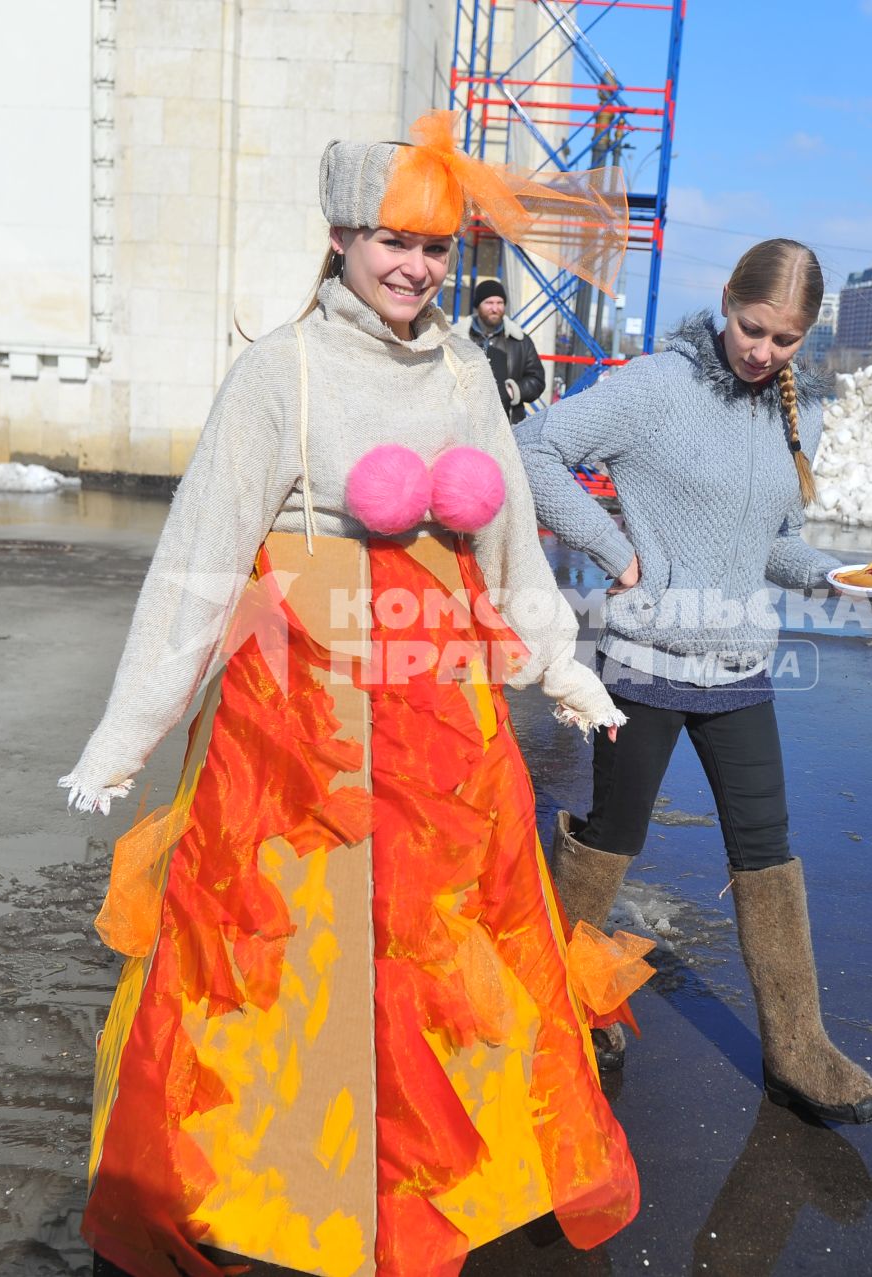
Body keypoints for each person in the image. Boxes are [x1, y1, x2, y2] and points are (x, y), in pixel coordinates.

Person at [64, 111, 646, 1277]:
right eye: (393, 241)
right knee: (297, 952)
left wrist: (560, 662)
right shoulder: (278, 371)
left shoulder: (469, 369)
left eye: (435, 249)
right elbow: (199, 560)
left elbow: (513, 547)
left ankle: (463, 1175)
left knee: (448, 942)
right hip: (301, 722)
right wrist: (125, 733)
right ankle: (284, 1185)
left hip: (442, 712)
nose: (415, 269)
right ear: (340, 236)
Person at [516, 238, 872, 1126]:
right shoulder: (658, 386)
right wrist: (614, 549)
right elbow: (532, 447)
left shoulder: (792, 412)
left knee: (768, 846)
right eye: (753, 328)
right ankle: (550, 1008)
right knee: (610, 836)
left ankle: (799, 1045)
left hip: (741, 671)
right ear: (726, 300)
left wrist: (839, 575)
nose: (764, 352)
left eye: (786, 340)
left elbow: (776, 546)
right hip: (644, 665)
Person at [461, 276, 546, 422]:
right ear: (477, 305)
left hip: (508, 424)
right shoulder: (459, 338)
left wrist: (512, 391)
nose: (495, 308)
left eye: (500, 303)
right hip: (465, 423)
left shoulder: (520, 341)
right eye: (489, 303)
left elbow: (537, 380)